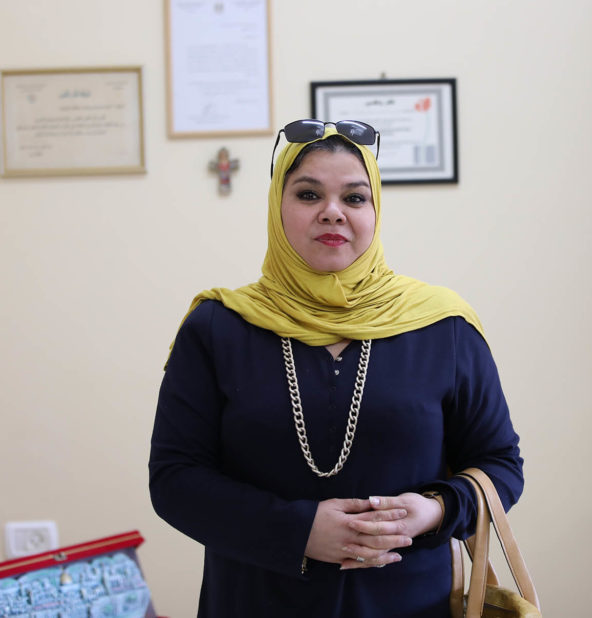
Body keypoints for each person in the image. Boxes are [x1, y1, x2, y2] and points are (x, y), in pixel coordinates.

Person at [149, 119, 523, 618]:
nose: (332, 213)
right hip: (254, 601)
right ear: (277, 207)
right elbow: (175, 480)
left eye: (354, 198)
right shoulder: (218, 326)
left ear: (375, 210)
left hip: (415, 603)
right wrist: (298, 530)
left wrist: (434, 510)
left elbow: (500, 464)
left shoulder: (443, 325)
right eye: (308, 194)